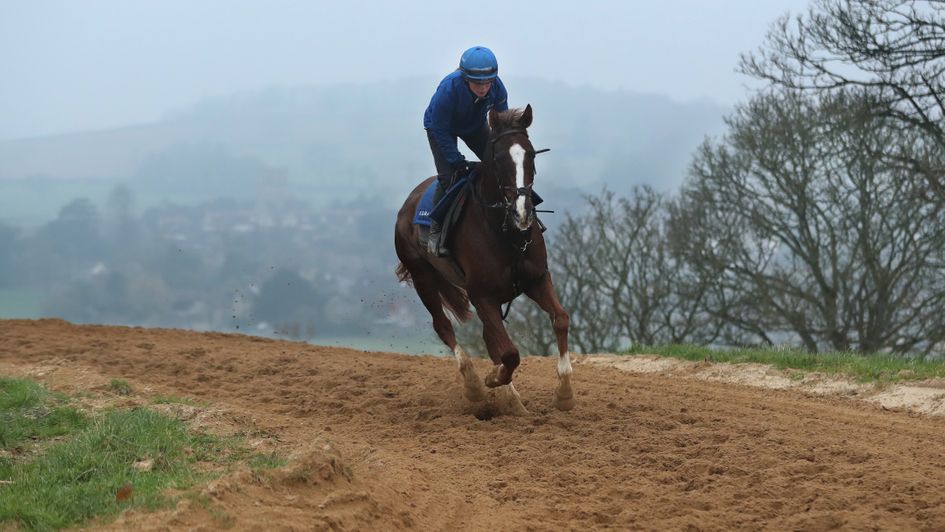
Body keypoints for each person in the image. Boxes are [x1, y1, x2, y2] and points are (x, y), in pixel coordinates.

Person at [423, 45, 509, 255]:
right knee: (449, 176)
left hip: (474, 126)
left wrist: (504, 152)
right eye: (477, 83)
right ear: (465, 78)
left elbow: (502, 125)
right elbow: (439, 128)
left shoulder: (498, 88)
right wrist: (455, 158)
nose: (483, 88)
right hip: (441, 128)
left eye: (487, 82)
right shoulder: (448, 90)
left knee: (503, 165)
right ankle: (435, 227)